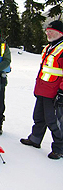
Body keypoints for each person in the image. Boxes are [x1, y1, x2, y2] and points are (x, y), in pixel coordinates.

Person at [20, 20, 63, 160]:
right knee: (38, 117)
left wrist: (61, 91)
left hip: (54, 93)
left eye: (52, 31)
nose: (48, 33)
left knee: (54, 121)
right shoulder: (49, 47)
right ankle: (35, 139)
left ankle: (59, 148)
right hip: (42, 90)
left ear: (60, 33)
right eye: (47, 31)